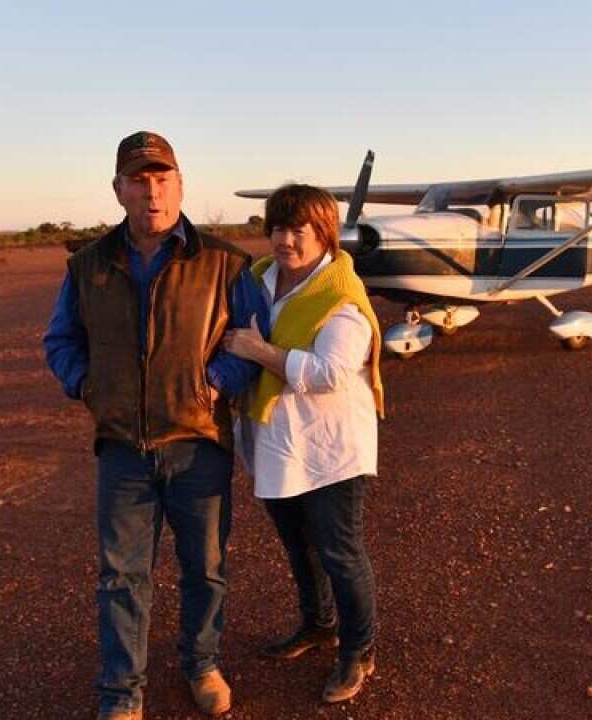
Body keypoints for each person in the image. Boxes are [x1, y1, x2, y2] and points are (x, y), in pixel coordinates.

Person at [43, 131, 268, 720]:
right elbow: (61, 340)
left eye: (162, 180)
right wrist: (86, 385)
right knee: (121, 577)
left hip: (199, 442)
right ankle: (122, 692)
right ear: (118, 189)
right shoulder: (88, 265)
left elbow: (252, 337)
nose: (152, 193)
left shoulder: (224, 262)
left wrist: (214, 383)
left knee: (206, 569)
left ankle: (203, 665)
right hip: (122, 447)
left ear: (181, 185)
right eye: (139, 181)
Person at [223, 183, 384, 704]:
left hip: (329, 448)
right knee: (299, 546)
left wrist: (260, 351)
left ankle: (359, 649)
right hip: (274, 442)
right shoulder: (256, 280)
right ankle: (318, 624)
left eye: (299, 230)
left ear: (325, 233)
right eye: (277, 228)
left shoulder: (340, 296)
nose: (285, 240)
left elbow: (331, 372)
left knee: (340, 551)